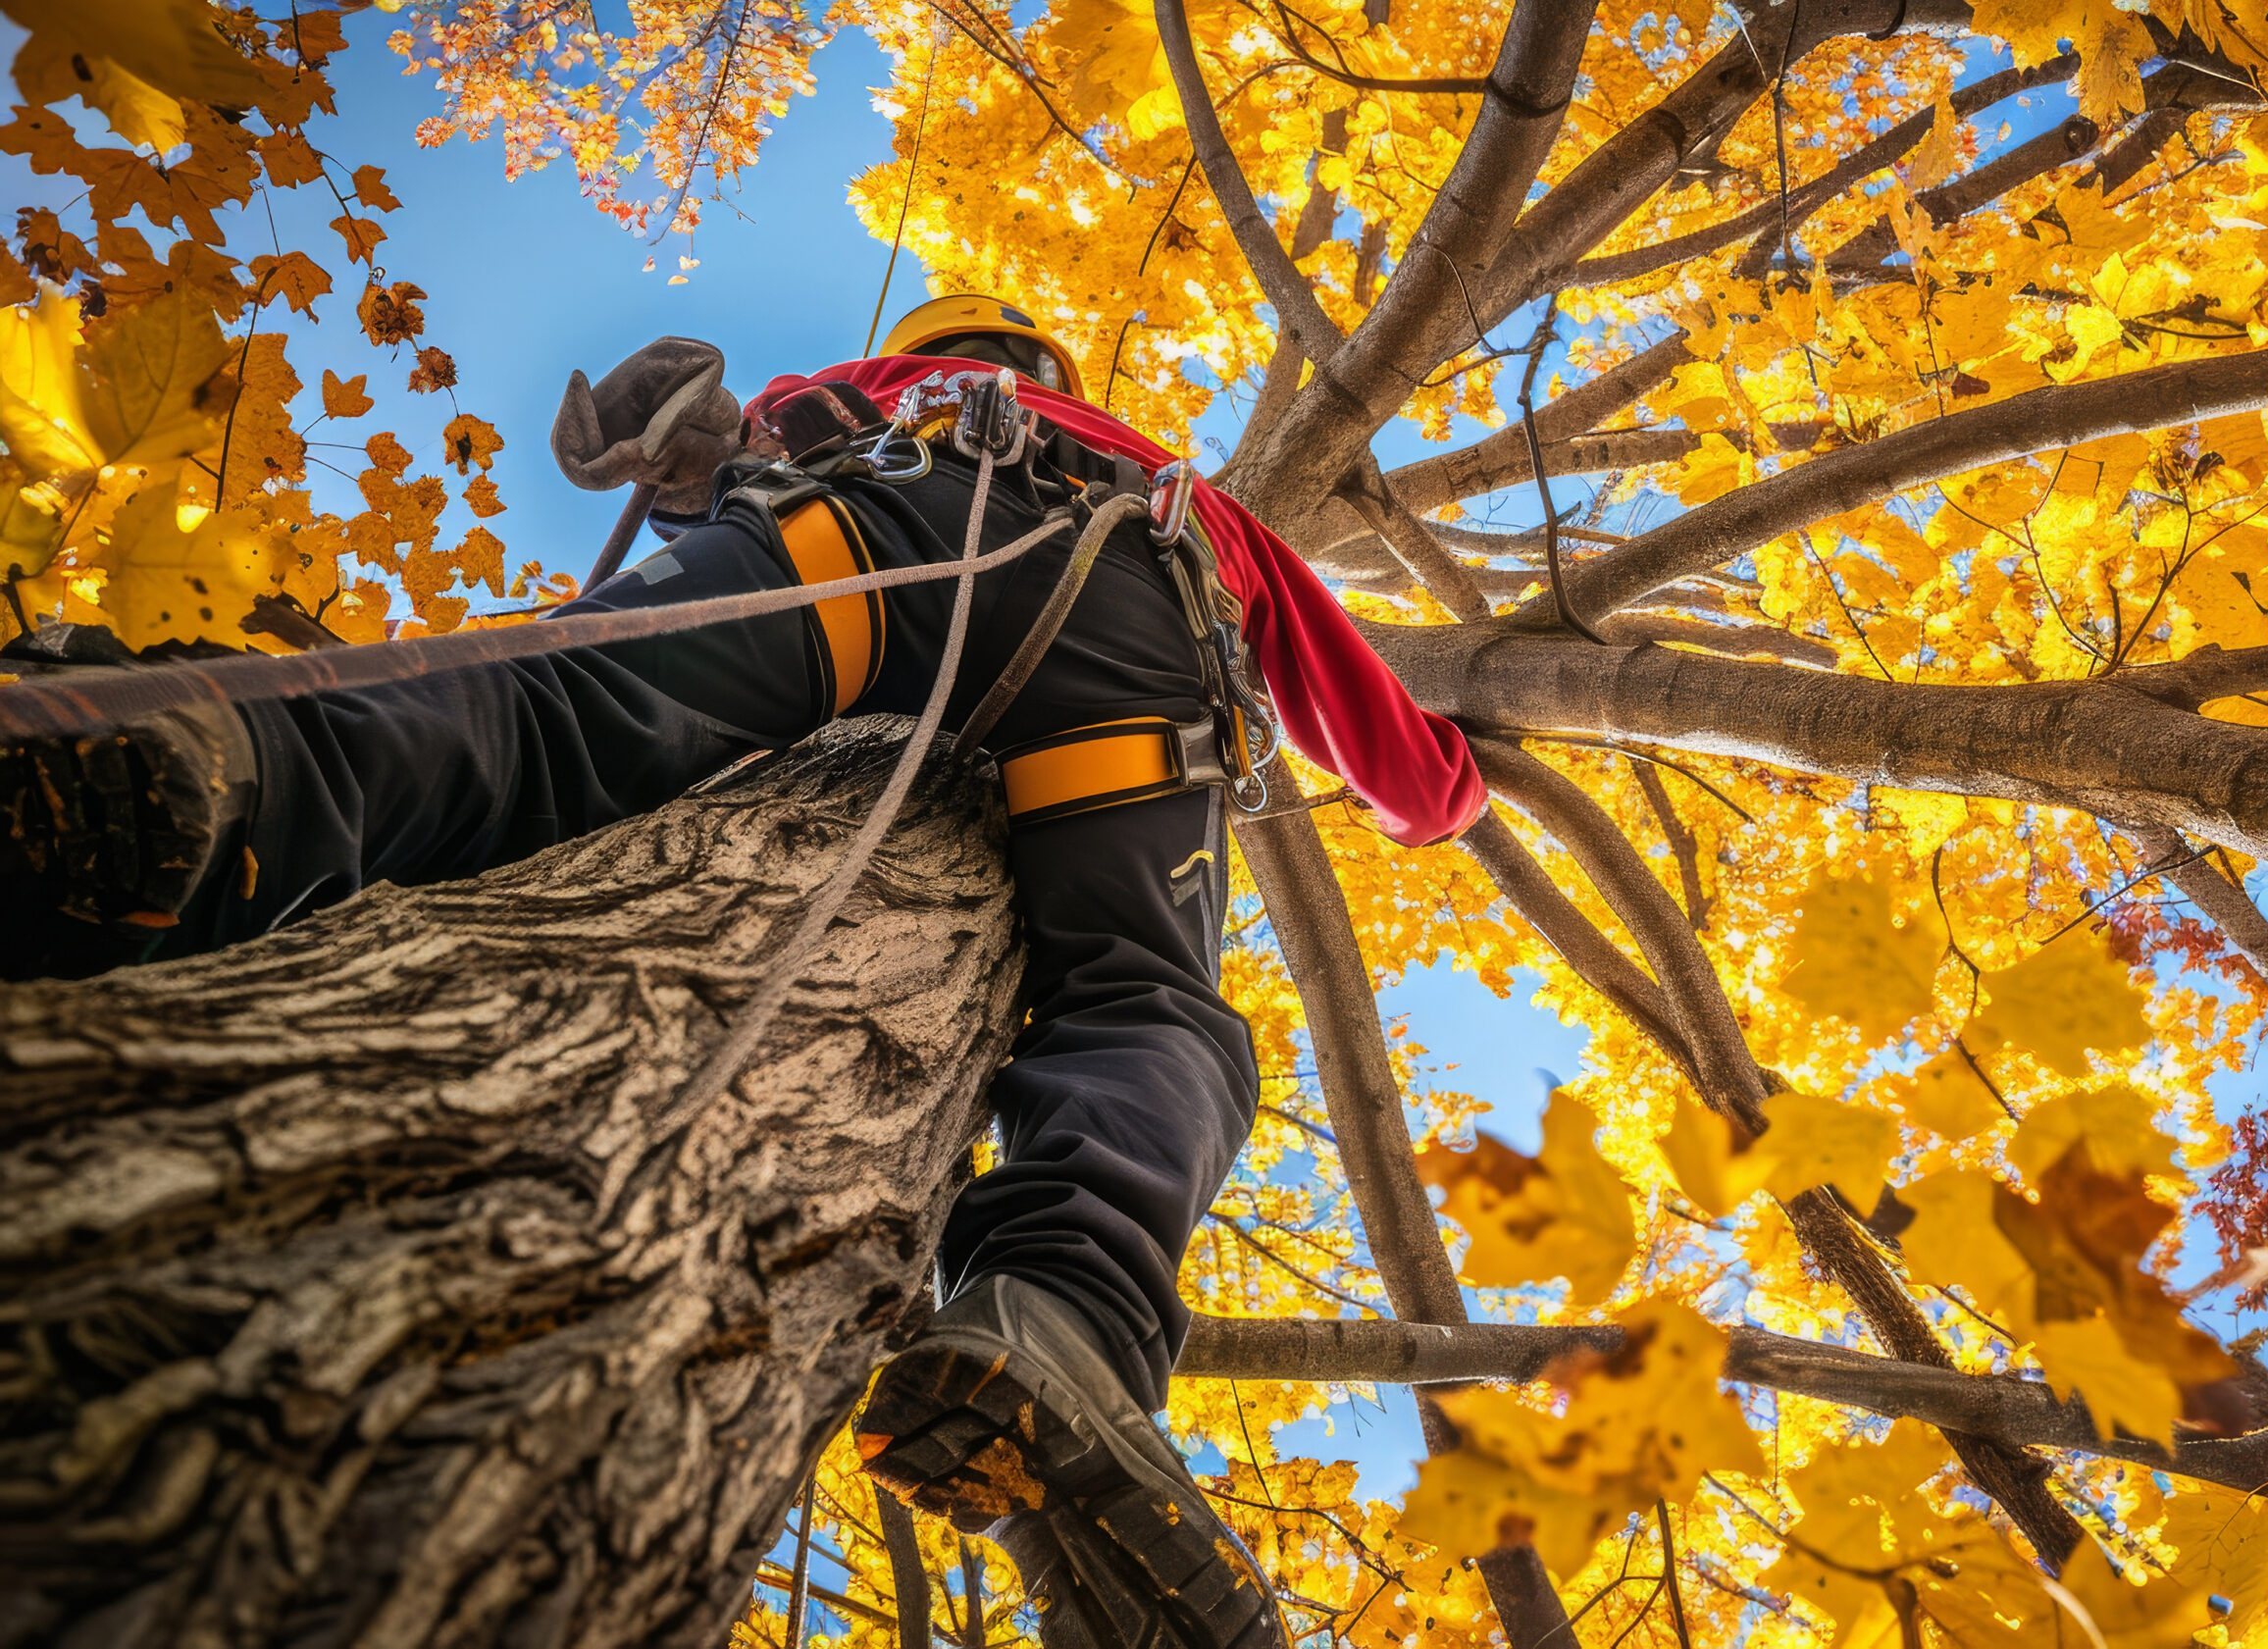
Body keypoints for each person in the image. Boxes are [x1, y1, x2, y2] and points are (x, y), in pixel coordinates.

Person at [0, 295, 1488, 1649]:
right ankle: (1065, 1322)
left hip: (873, 541)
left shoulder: (852, 394)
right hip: (1134, 640)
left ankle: (219, 770)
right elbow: (1402, 766)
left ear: (936, 351)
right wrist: (1451, 787)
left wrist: (671, 449)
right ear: (1047, 364)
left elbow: (710, 454)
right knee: (1143, 1001)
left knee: (563, 705)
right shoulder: (1191, 494)